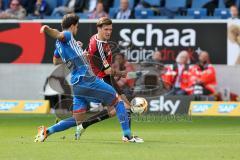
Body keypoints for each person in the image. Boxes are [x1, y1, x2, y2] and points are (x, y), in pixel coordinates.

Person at [34, 14, 142, 143]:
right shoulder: (67, 35)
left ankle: (47, 131)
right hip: (86, 79)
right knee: (118, 101)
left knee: (77, 119)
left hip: (77, 84)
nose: (77, 29)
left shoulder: (60, 45)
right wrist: (46, 29)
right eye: (77, 27)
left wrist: (77, 54)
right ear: (73, 26)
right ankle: (128, 136)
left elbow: (55, 61)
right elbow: (58, 34)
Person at [74, 17, 143, 142]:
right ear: (99, 29)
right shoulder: (99, 46)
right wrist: (124, 74)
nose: (108, 32)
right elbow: (107, 71)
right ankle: (126, 136)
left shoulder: (96, 38)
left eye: (110, 29)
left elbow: (88, 54)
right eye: (106, 29)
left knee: (123, 107)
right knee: (121, 107)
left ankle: (84, 125)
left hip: (108, 78)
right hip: (101, 79)